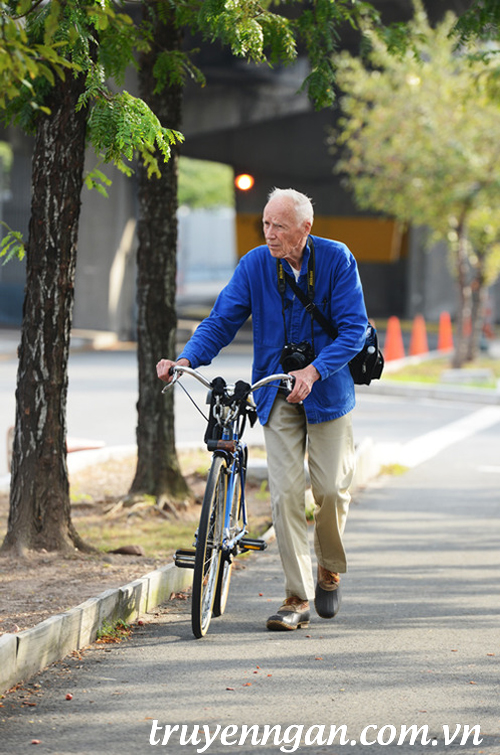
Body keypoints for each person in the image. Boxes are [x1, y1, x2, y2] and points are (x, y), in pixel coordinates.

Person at [157, 188, 368, 631]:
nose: (270, 234)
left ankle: (328, 566)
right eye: (266, 224)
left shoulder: (336, 259)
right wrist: (187, 358)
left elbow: (353, 331)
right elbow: (221, 320)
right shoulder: (254, 264)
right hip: (275, 392)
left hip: (327, 392)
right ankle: (296, 596)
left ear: (304, 229)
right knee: (286, 493)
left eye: (280, 227)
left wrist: (314, 371)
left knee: (330, 490)